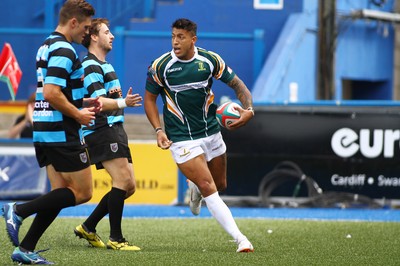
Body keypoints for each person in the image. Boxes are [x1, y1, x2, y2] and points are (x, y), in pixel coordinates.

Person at [144, 18, 255, 253]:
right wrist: (158, 129)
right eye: (173, 36)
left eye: (181, 37)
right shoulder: (160, 66)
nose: (175, 41)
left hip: (211, 131)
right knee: (208, 186)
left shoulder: (210, 60)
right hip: (181, 136)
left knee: (219, 184)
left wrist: (249, 111)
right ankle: (241, 239)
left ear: (193, 39)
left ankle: (193, 188)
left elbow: (238, 86)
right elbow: (149, 99)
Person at [2, 0, 98, 264]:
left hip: (45, 127)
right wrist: (78, 114)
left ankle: (26, 248)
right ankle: (18, 209)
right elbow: (54, 93)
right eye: (86, 28)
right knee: (82, 192)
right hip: (61, 129)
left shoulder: (46, 44)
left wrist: (82, 103)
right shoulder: (65, 49)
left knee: (59, 194)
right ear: (74, 22)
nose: (87, 34)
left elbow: (54, 90)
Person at [73, 18, 142, 251]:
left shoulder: (106, 65)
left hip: (115, 129)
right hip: (102, 129)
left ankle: (88, 227)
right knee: (123, 181)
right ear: (94, 37)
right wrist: (124, 102)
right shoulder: (90, 65)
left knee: (129, 186)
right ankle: (116, 239)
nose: (112, 36)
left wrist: (122, 106)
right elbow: (99, 102)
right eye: (106, 32)